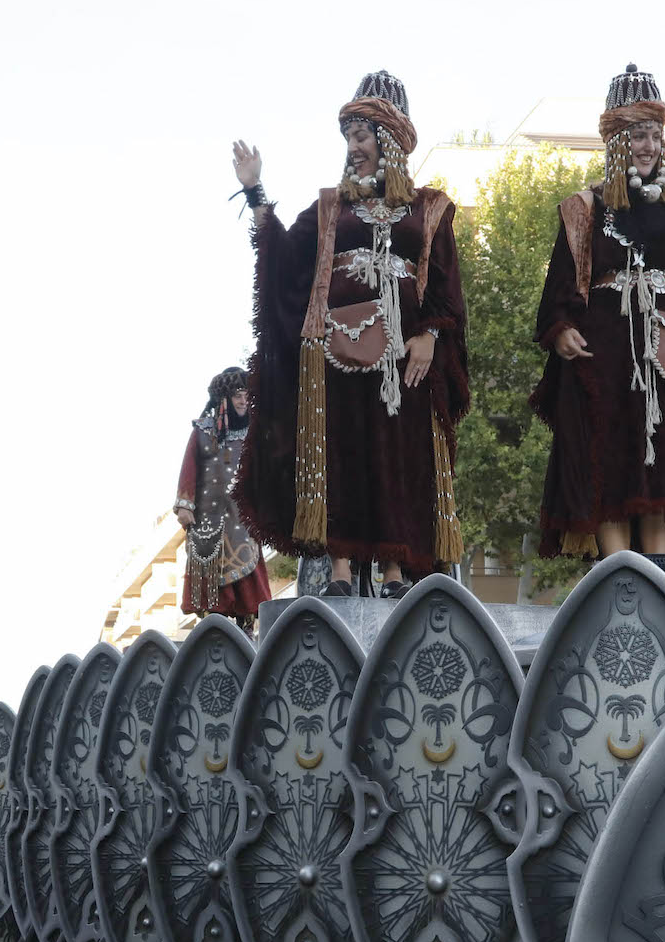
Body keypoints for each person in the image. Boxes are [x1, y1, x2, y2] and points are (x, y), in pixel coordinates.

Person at [233, 69, 470, 598]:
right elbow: (283, 259)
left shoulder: (429, 208)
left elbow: (447, 286)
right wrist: (255, 190)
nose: (353, 148)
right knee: (341, 452)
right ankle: (340, 571)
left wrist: (432, 334)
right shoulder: (329, 208)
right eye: (348, 138)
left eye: (362, 137)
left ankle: (392, 569)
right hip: (333, 351)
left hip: (404, 353)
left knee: (397, 455)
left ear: (389, 140)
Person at [532, 64, 665, 559]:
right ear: (615, 142)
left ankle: (662, 574)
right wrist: (561, 329)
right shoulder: (584, 208)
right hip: (604, 355)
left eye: (653, 134)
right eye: (636, 135)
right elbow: (562, 281)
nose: (647, 145)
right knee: (608, 459)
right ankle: (617, 569)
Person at [175, 367, 273, 624]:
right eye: (238, 395)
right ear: (223, 399)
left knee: (245, 563)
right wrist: (184, 506)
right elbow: (189, 469)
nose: (243, 401)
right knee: (207, 566)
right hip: (206, 517)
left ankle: (246, 623)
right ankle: (211, 624)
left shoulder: (255, 434)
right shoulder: (201, 431)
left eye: (246, 395)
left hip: (242, 516)